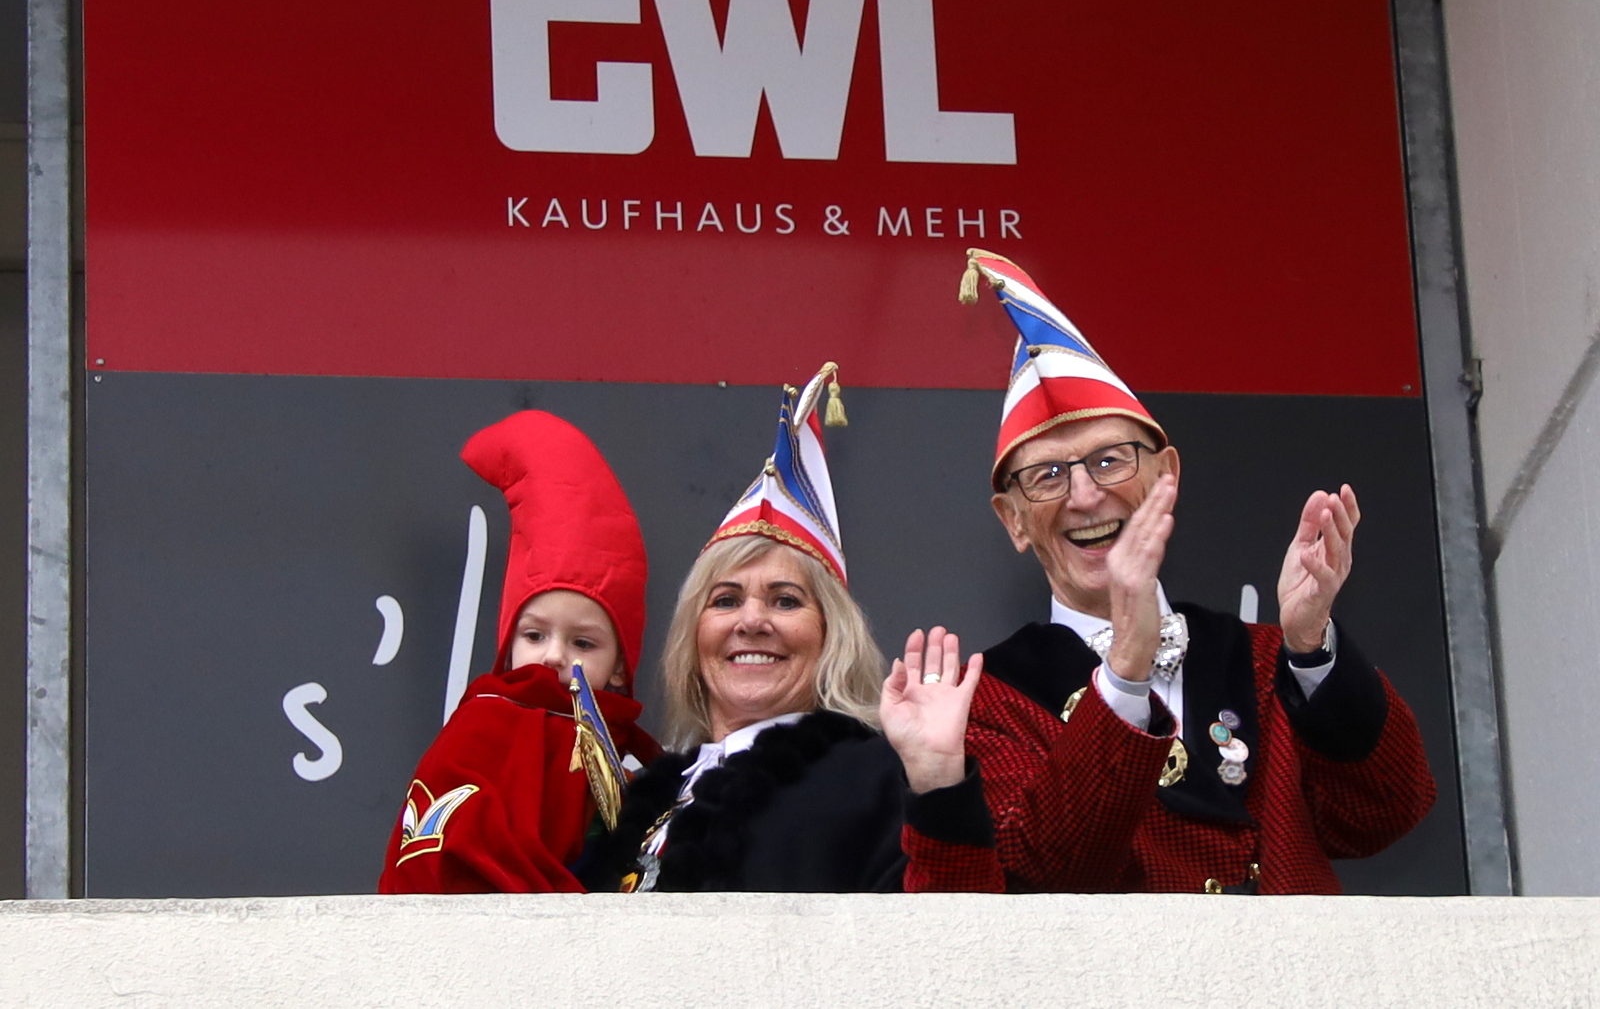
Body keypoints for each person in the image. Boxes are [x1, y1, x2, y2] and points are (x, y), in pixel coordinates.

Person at [955, 249, 1437, 894]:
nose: (1085, 496)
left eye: (1109, 460)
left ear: (1168, 475)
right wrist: (1125, 670)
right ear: (1013, 520)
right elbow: (1047, 874)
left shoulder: (1265, 660)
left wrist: (1310, 647)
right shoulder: (984, 700)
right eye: (1047, 476)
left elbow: (1385, 815)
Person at [579, 364, 1002, 893]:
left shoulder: (874, 777)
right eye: (726, 600)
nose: (752, 621)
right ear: (693, 636)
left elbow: (951, 931)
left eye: (785, 601)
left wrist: (938, 784)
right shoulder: (643, 797)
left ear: (830, 636)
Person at [379, 411, 660, 894]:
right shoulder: (481, 729)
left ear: (619, 666)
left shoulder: (634, 769)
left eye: (583, 643)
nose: (553, 656)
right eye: (534, 636)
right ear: (508, 645)